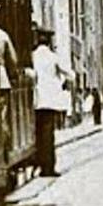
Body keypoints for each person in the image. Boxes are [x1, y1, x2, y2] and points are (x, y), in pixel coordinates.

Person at [32, 27, 71, 178]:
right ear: (48, 41)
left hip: (37, 100)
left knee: (39, 134)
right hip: (50, 100)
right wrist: (64, 80)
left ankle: (40, 164)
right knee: (48, 135)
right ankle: (48, 168)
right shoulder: (53, 57)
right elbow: (69, 73)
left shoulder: (33, 56)